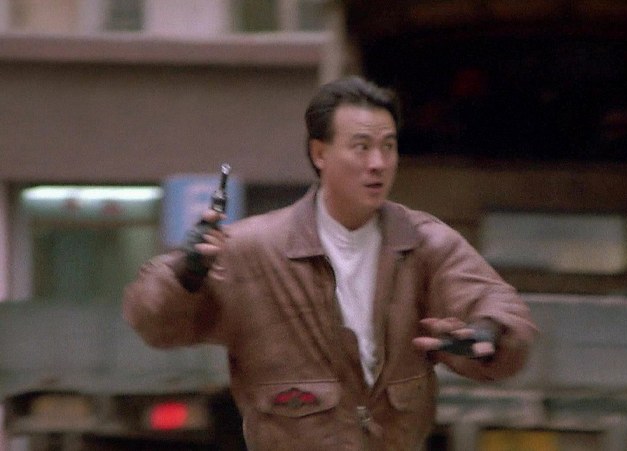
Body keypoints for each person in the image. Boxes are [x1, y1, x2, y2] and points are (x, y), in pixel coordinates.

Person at [122, 75, 537, 450]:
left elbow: (496, 303)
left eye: (388, 146)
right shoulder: (256, 249)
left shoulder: (423, 243)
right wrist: (186, 274)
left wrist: (489, 333)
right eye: (362, 147)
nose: (378, 163)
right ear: (320, 153)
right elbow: (153, 321)